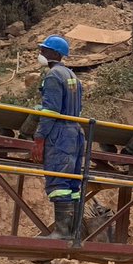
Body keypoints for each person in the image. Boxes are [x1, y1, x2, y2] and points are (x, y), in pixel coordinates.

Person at [29, 35, 85, 240]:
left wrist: (39, 138)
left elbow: (51, 112)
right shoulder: (73, 76)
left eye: (44, 50)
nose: (41, 54)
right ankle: (74, 232)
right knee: (73, 184)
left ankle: (62, 232)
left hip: (60, 135)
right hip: (75, 132)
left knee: (58, 181)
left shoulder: (53, 76)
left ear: (54, 53)